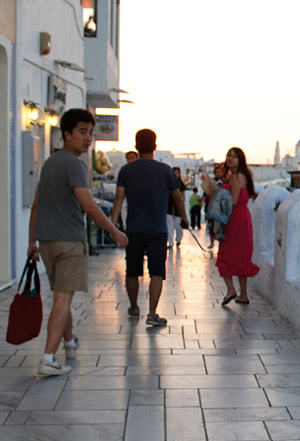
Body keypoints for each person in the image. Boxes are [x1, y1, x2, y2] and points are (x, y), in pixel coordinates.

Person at [28, 108, 128, 376]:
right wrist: (114, 231)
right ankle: (49, 357)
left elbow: (37, 204)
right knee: (62, 298)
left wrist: (32, 241)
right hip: (70, 242)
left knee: (63, 294)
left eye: (91, 133)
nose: (88, 139)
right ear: (67, 134)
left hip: (48, 242)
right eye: (82, 132)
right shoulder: (75, 164)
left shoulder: (50, 163)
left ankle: (69, 342)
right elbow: (89, 206)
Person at [111, 129, 189, 326]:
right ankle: (152, 313)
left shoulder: (126, 170)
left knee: (132, 271)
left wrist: (112, 225)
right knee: (156, 272)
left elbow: (119, 197)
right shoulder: (165, 170)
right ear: (155, 146)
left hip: (134, 229)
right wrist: (185, 218)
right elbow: (178, 196)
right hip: (157, 229)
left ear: (136, 147)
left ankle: (134, 307)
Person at [213, 147, 259, 305]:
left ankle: (231, 290)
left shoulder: (234, 177)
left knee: (225, 255)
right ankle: (243, 295)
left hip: (234, 218)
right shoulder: (246, 175)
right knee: (242, 257)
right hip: (244, 218)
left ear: (240, 159)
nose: (230, 159)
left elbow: (232, 201)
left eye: (234, 157)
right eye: (228, 156)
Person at [167, 167, 186, 249]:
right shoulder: (167, 184)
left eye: (177, 172)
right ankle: (170, 243)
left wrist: (182, 210)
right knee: (169, 226)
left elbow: (182, 197)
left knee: (178, 226)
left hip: (178, 208)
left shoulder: (181, 185)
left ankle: (178, 239)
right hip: (169, 208)